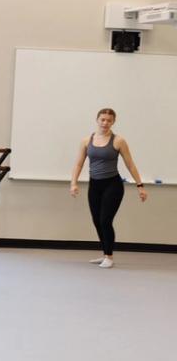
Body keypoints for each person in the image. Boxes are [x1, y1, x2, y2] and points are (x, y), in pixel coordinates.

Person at [70, 108, 147, 268]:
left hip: (112, 185)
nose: (105, 123)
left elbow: (130, 164)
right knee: (97, 221)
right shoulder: (86, 141)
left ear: (113, 122)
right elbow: (78, 164)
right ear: (97, 120)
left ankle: (109, 257)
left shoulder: (118, 141)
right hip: (94, 185)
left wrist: (140, 186)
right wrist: (73, 183)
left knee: (105, 220)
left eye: (109, 120)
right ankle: (105, 253)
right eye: (102, 119)